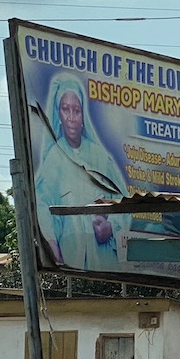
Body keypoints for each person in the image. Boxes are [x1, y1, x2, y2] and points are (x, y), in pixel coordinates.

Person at [34, 74, 128, 271]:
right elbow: (41, 203)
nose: (71, 117)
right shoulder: (54, 158)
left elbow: (124, 199)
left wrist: (110, 227)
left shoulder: (99, 157)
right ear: (58, 114)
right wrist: (52, 245)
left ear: (83, 115)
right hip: (70, 260)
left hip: (105, 264)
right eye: (65, 109)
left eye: (76, 110)